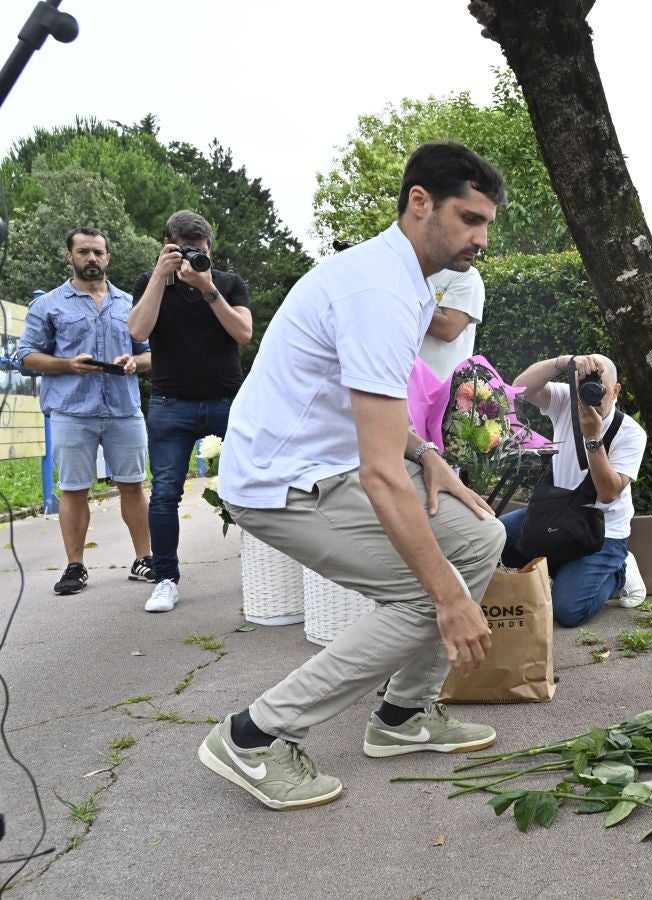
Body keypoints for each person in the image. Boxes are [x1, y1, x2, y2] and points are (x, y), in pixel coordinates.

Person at [199, 142, 508, 811]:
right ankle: (254, 736)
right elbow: (377, 473)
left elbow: (379, 420)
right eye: (469, 218)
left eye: (487, 224)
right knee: (428, 597)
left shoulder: (407, 284)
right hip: (281, 481)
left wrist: (429, 457)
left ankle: (402, 717)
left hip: (331, 463)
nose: (481, 238)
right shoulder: (378, 292)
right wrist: (451, 601)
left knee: (481, 538)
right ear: (419, 202)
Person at [16, 227, 153, 595]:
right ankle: (75, 567)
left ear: (108, 257)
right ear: (70, 256)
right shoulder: (48, 305)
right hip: (72, 411)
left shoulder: (129, 303)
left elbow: (152, 352)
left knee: (133, 485)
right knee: (74, 489)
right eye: (83, 252)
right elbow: (26, 355)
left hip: (124, 409)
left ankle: (145, 559)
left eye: (97, 252)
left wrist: (134, 363)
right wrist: (67, 365)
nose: (91, 258)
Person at [129, 211, 253, 613]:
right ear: (167, 245)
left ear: (209, 249)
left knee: (253, 486)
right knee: (164, 494)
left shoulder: (229, 283)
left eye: (199, 251)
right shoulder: (151, 285)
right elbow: (138, 331)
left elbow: (243, 333)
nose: (192, 258)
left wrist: (208, 288)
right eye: (183, 250)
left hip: (226, 401)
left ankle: (261, 567)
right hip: (171, 404)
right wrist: (157, 278)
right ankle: (165, 579)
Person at [500, 353, 647, 627]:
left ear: (615, 391)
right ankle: (564, 567)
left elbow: (608, 493)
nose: (590, 394)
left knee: (568, 612)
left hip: (601, 532)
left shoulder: (631, 433)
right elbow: (519, 388)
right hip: (555, 517)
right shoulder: (568, 400)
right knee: (488, 539)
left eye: (599, 387)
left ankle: (619, 570)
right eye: (584, 386)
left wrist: (593, 437)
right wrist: (564, 362)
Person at [418, 266, 486, 380]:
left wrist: (401, 306)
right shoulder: (409, 271)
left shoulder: (468, 275)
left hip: (440, 389)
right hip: (399, 381)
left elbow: (448, 329)